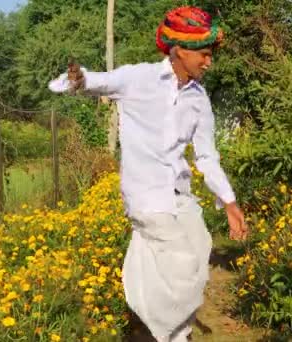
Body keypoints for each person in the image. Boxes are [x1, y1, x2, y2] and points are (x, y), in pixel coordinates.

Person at [48, 6, 249, 342]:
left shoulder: (199, 100)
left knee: (199, 252)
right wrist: (78, 79)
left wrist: (229, 203)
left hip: (179, 195)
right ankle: (168, 334)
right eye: (204, 54)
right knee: (180, 262)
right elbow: (95, 81)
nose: (209, 62)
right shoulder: (138, 77)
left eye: (211, 54)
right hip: (145, 195)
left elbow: (206, 156)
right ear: (180, 51)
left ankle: (173, 328)